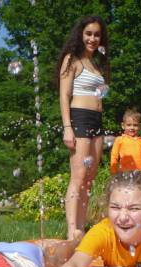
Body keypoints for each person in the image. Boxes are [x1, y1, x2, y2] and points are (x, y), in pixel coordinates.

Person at [55, 16, 111, 240]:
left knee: (90, 178)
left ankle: (81, 227)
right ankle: (71, 231)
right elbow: (64, 94)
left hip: (97, 121)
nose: (93, 38)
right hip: (79, 119)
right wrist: (67, 127)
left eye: (97, 34)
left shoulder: (96, 65)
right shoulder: (73, 59)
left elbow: (100, 95)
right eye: (89, 33)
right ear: (81, 34)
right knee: (78, 177)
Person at [110, 108, 141, 175]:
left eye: (135, 125)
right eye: (129, 125)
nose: (132, 128)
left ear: (139, 126)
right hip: (125, 174)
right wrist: (114, 172)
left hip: (140, 175)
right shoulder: (120, 139)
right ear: (123, 126)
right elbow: (114, 157)